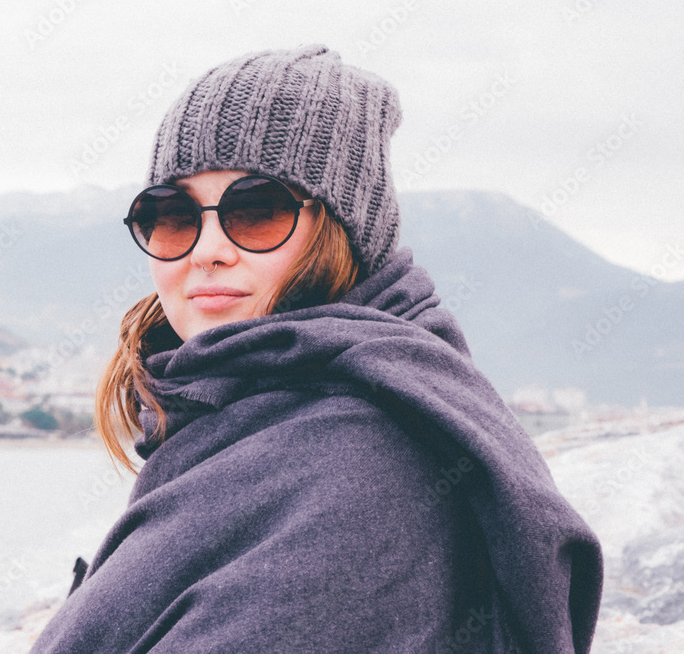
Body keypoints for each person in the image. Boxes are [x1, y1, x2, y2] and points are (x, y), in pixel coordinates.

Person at [31, 45, 603, 653]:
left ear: (341, 230)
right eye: (172, 214)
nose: (207, 250)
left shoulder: (358, 462)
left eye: (256, 210)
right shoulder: (242, 418)